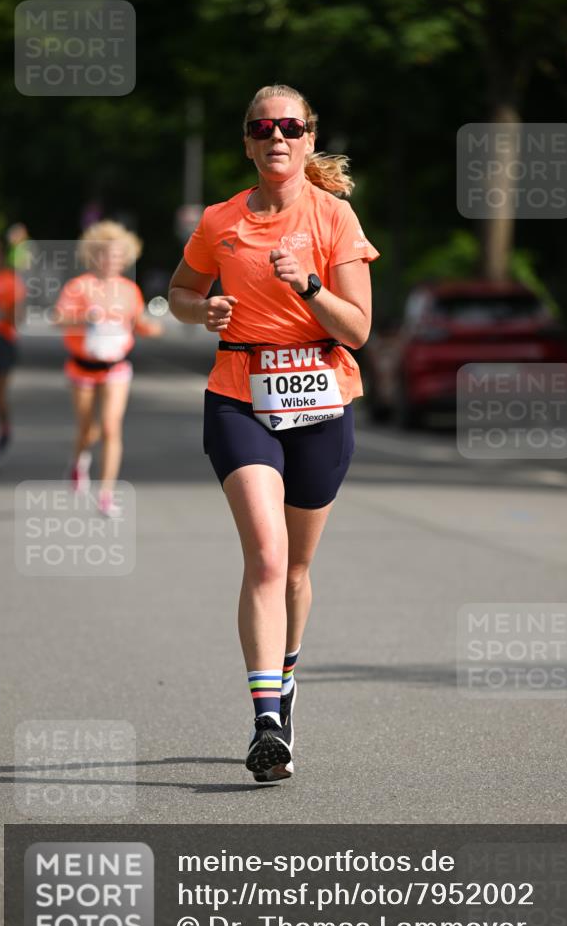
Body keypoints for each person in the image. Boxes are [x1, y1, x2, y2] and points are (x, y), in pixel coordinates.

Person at [168, 84, 379, 782]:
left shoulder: (334, 217)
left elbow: (359, 329)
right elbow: (179, 292)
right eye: (263, 127)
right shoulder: (220, 219)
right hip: (239, 395)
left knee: (294, 569)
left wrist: (310, 285)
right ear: (248, 141)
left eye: (290, 126)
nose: (276, 137)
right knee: (264, 554)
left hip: (320, 401)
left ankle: (284, 679)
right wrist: (204, 310)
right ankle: (266, 721)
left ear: (309, 137)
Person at [53, 220, 162, 515]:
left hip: (116, 367)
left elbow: (139, 323)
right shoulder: (79, 287)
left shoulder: (129, 290)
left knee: (112, 427)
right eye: (104, 254)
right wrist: (82, 317)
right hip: (82, 366)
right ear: (93, 255)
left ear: (125, 257)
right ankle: (79, 462)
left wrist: (150, 328)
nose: (110, 260)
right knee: (88, 430)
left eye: (116, 255)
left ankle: (106, 493)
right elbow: (58, 318)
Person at [0, 236, 26, 475]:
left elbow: (16, 320)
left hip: (3, 341)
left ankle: (5, 427)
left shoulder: (11, 282)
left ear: (1, 257)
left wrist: (0, 310)